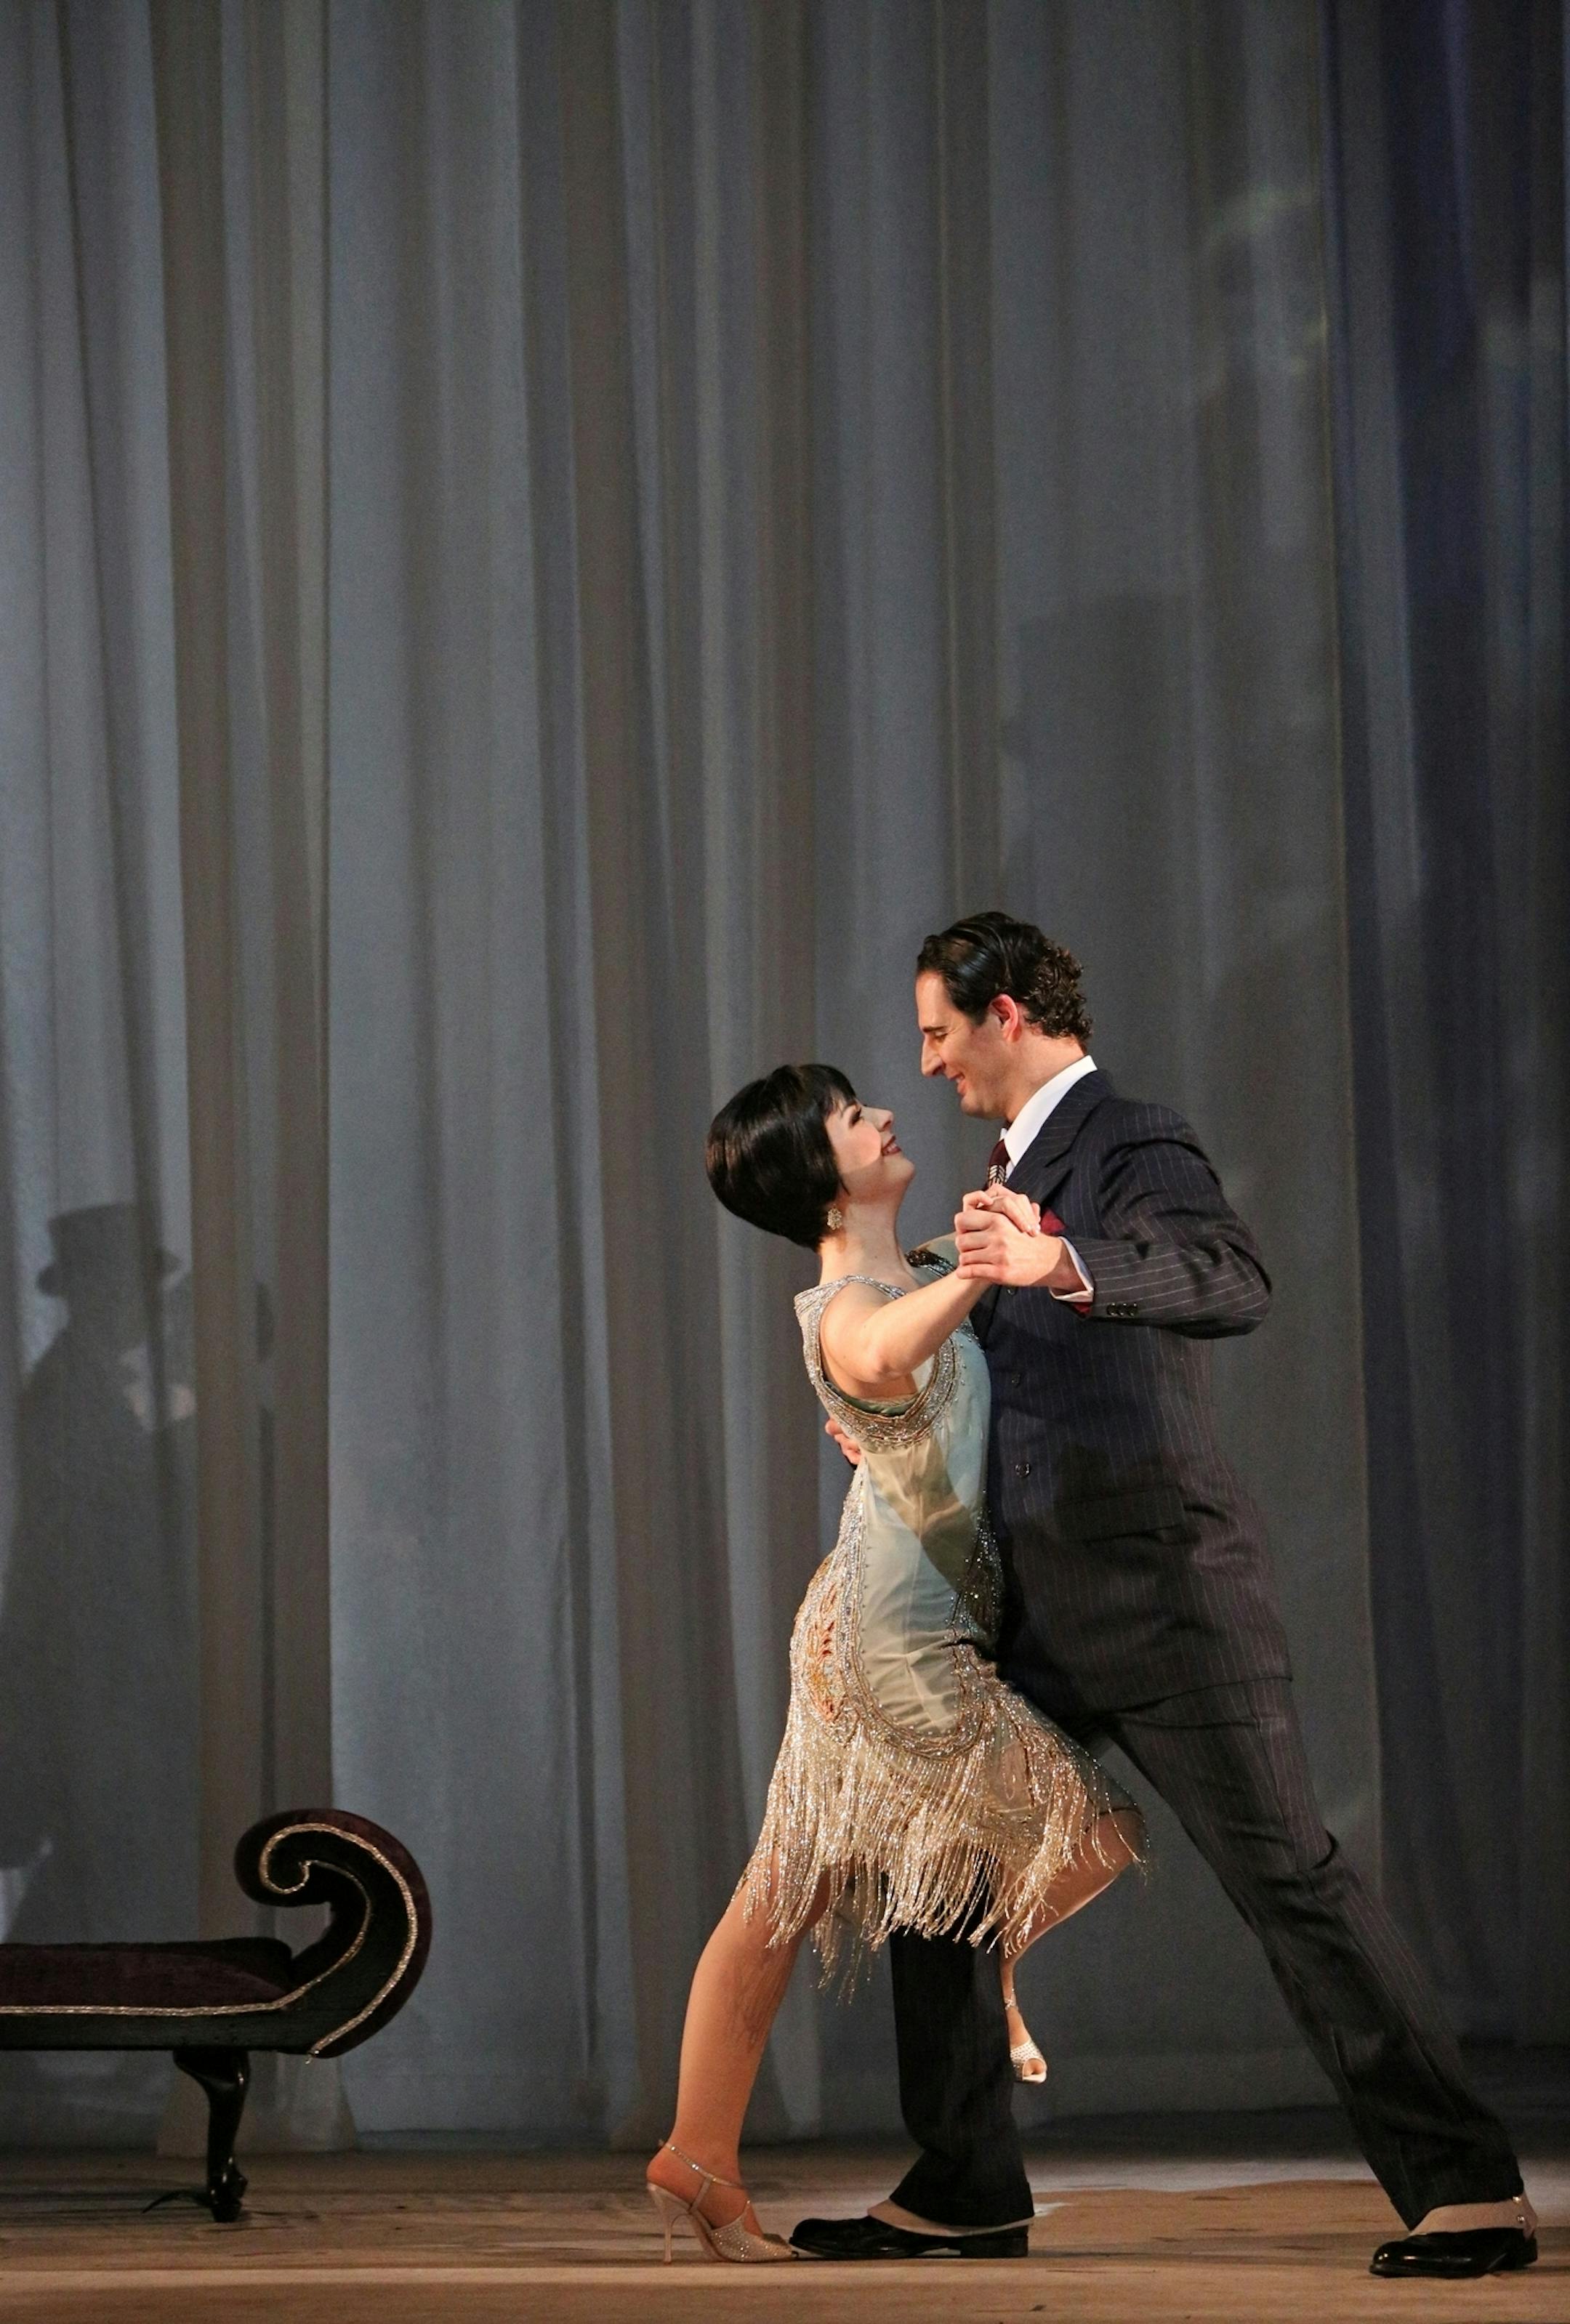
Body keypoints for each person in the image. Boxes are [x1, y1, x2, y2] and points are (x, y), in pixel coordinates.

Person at [790, 912, 1536, 2281]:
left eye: (939, 1033)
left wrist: (1063, 1263)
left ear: (1008, 1012)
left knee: (1289, 1879)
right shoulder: (1007, 1175)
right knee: (930, 1868)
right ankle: (965, 2183)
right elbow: (998, 1389)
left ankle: (1467, 2189)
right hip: (1026, 1613)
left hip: (1161, 1593)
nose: (931, 1062)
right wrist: (898, 1417)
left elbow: (1230, 1277)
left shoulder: (1128, 1136)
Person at [645, 1063, 1145, 2264]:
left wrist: (978, 1257)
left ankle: (698, 2154)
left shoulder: (911, 1266)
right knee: (1077, 1832)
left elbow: (918, 1381)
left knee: (789, 1888)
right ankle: (699, 2152)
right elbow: (874, 1357)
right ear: (825, 1182)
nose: (878, 1114)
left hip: (886, 1614)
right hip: (895, 1640)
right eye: (849, 1116)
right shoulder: (844, 1299)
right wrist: (977, 1269)